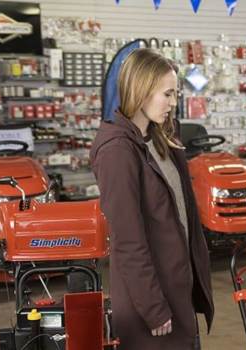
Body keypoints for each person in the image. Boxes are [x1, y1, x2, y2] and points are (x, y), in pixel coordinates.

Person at [90, 48, 213, 350]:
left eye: (175, 94)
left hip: (178, 294)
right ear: (141, 91)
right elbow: (127, 241)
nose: (173, 103)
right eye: (167, 94)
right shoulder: (117, 152)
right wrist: (153, 308)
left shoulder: (162, 138)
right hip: (152, 308)